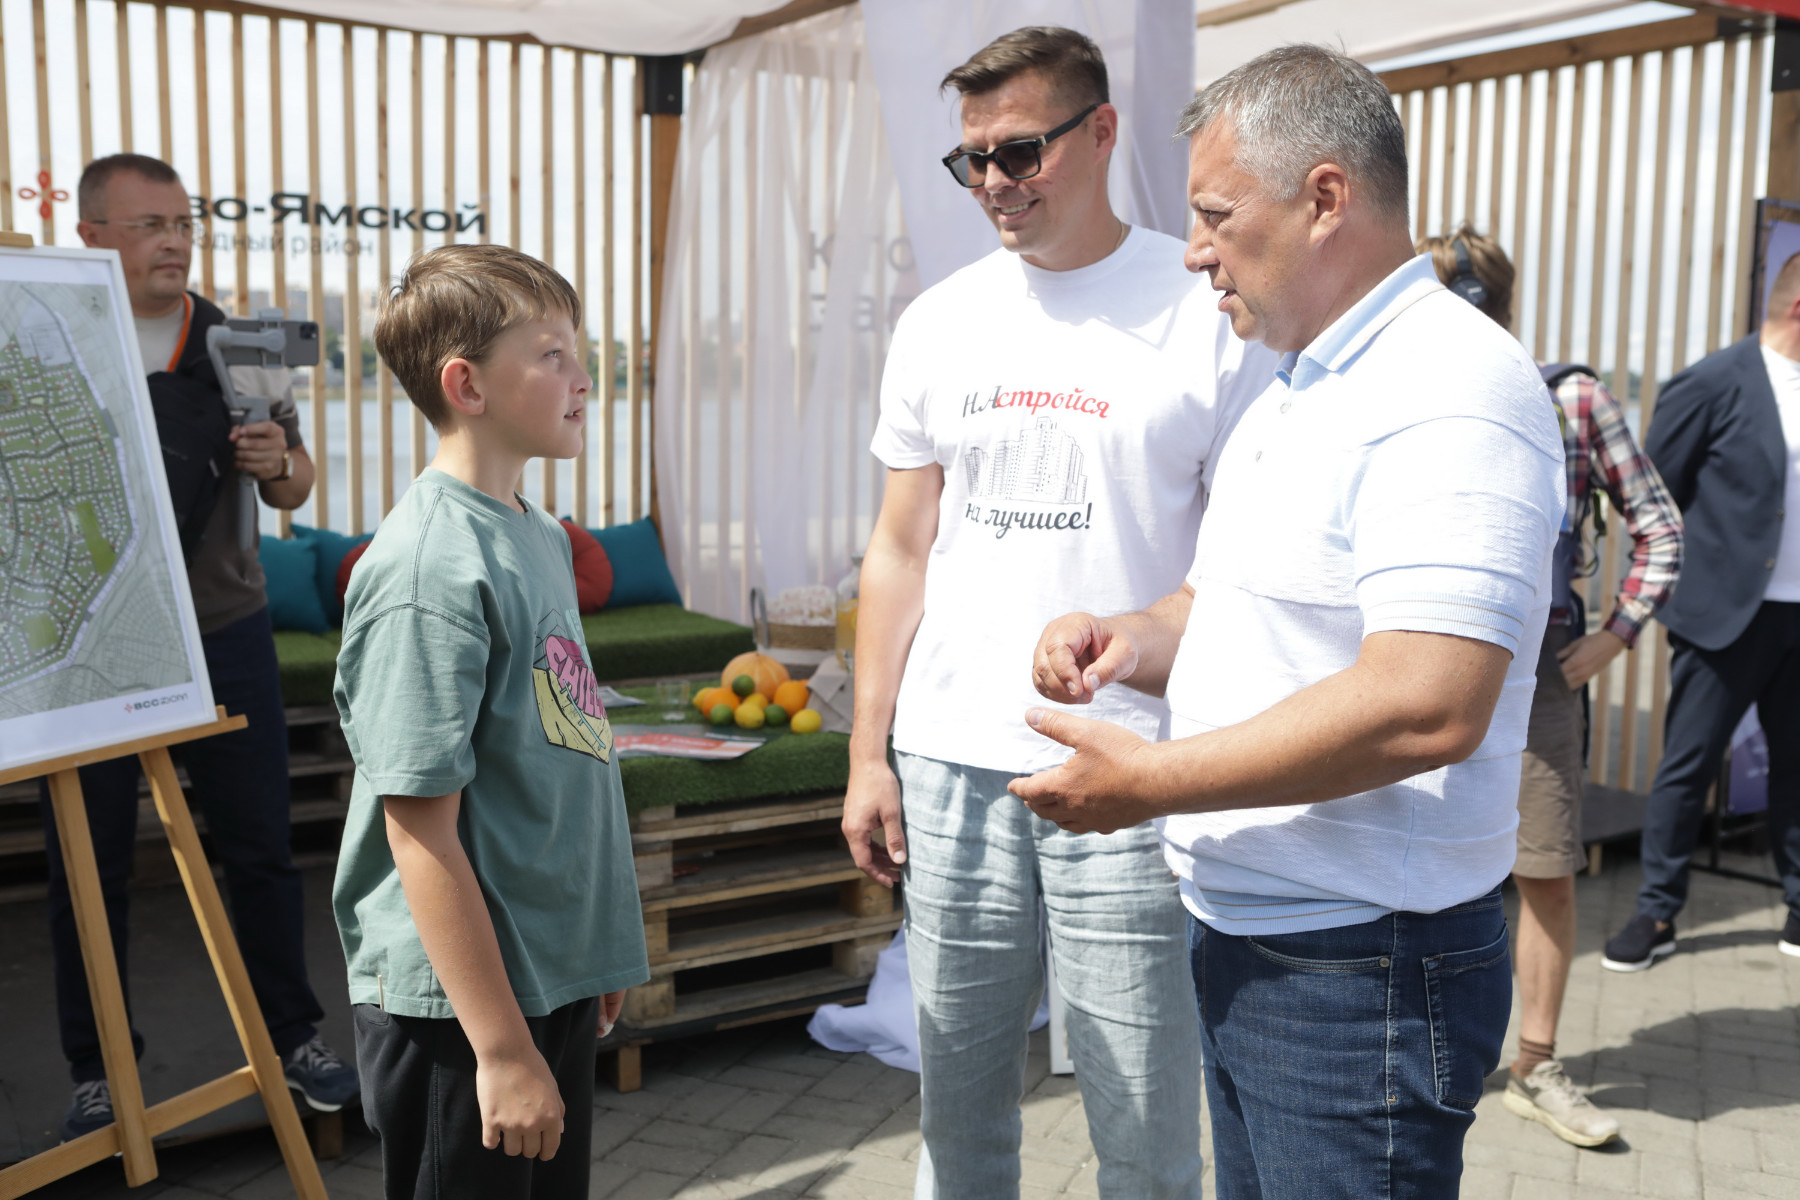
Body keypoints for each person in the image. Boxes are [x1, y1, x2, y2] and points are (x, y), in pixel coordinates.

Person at [1018, 46, 1565, 1196]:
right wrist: (1131, 639)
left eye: (1217, 215)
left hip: (1360, 966)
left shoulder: (1451, 386)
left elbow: (1427, 703)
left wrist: (1150, 784)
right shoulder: (1295, 379)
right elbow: (1225, 605)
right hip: (1271, 942)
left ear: (1325, 199)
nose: (1194, 248)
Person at [844, 25, 1272, 1200]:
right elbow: (899, 548)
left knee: (1142, 1118)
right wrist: (868, 754)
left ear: (1102, 133)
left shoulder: (1201, 308)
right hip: (949, 758)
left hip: (1127, 761)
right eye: (971, 159)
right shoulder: (940, 320)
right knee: (957, 1108)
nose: (994, 181)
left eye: (1020, 151)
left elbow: (1242, 560)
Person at [41, 153, 354, 1142]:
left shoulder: (239, 343)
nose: (175, 241)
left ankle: (294, 1038)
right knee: (87, 865)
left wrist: (278, 460)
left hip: (225, 631)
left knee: (260, 846)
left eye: (183, 224)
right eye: (150, 225)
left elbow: (296, 483)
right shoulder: (49, 337)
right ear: (92, 237)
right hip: (85, 641)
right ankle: (98, 1073)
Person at [334, 243, 648, 1199]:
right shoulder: (428, 567)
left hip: (546, 973)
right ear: (465, 385)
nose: (583, 377)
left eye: (578, 350)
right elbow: (418, 831)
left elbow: (560, 755)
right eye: (551, 354)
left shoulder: (537, 532)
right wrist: (503, 1050)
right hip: (462, 1014)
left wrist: (594, 947)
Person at [1419, 226, 1683, 1146]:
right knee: (1407, 862)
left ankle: (1534, 1063)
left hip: (1536, 676)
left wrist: (1612, 639)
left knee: (1545, 868)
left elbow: (1659, 528)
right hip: (1413, 662)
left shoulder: (1568, 398)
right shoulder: (1401, 394)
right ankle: (1421, 1048)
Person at [1601, 250, 1800, 971]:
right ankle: (1656, 913)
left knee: (1796, 768)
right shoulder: (1714, 382)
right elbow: (1657, 499)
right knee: (1688, 767)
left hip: (1798, 617)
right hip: (1724, 617)